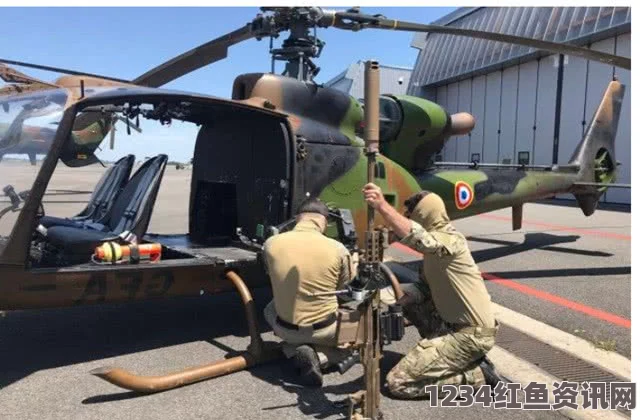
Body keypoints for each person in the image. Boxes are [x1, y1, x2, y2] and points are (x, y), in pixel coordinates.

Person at [362, 183, 503, 399]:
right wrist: (397, 300)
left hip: (472, 335)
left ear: (424, 216)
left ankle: (477, 375)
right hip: (455, 327)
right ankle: (454, 357)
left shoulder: (451, 239)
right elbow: (423, 288)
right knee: (409, 300)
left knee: (398, 384)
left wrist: (382, 206)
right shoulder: (435, 252)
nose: (409, 220)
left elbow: (421, 239)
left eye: (413, 216)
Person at [262, 198, 357, 387]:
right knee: (364, 332)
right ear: (324, 221)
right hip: (325, 330)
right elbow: (346, 290)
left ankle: (294, 348)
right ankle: (322, 357)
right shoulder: (337, 249)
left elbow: (269, 272)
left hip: (284, 327)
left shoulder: (270, 244)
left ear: (298, 218)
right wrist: (354, 261)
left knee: (270, 308)